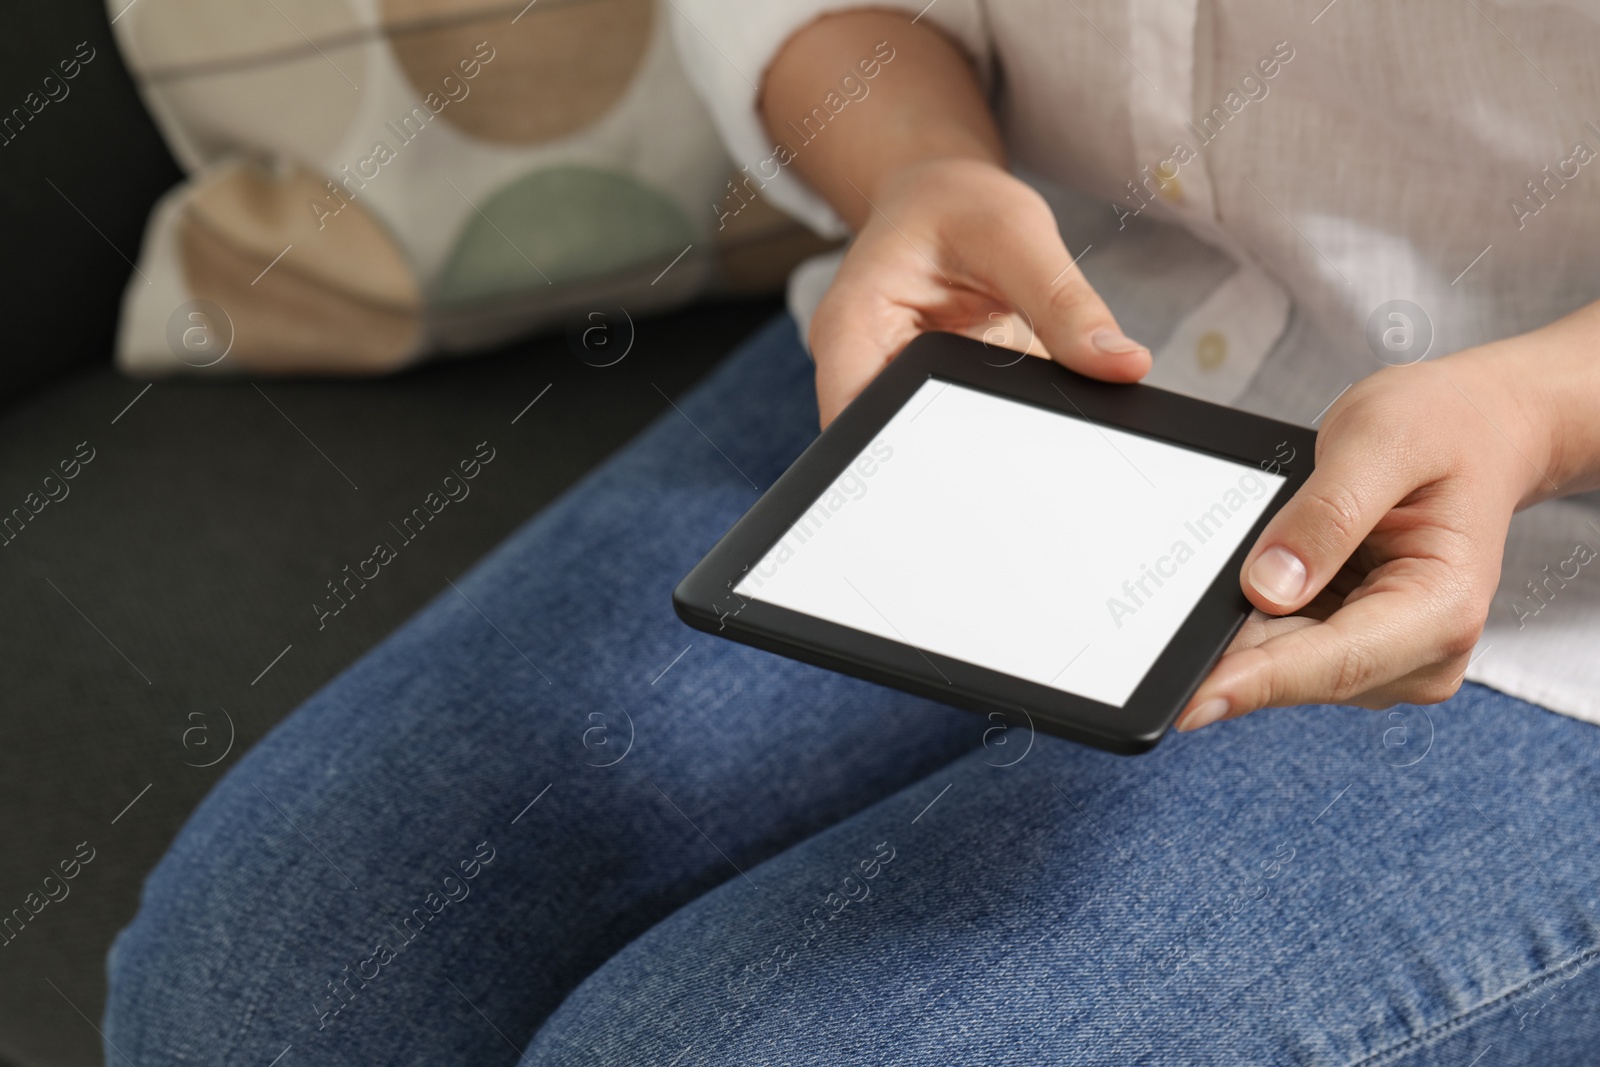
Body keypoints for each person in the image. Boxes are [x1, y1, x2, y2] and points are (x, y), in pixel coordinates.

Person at [104, 3, 1600, 1063]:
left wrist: (1537, 411)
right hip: (999, 336)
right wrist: (909, 165)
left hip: (1554, 565)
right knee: (253, 993)